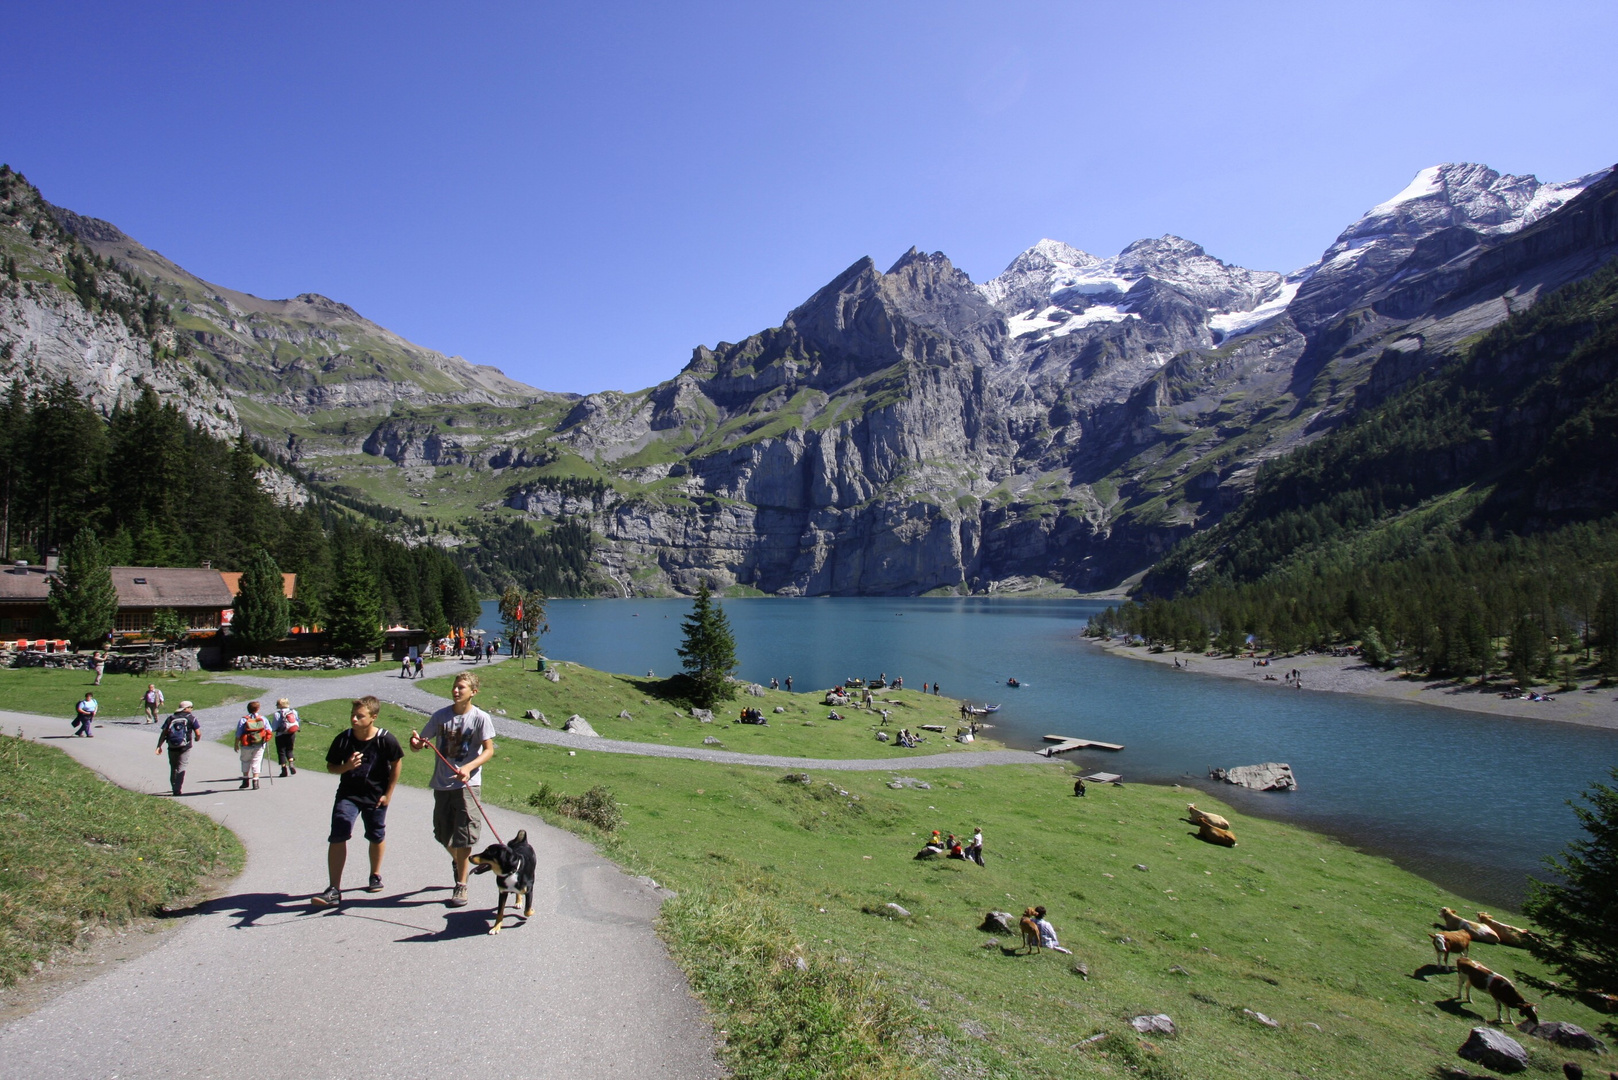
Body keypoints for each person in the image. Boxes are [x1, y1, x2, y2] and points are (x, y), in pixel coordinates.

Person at [410, 672, 496, 908]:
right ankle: (460, 863)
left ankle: (461, 885)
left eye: (461, 688)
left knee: (465, 834)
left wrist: (468, 767)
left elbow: (489, 751)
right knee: (442, 834)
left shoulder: (480, 718)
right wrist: (415, 743)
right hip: (442, 783)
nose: (456, 691)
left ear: (473, 692)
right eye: (455, 687)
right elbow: (420, 745)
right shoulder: (440, 717)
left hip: (467, 785)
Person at [311, 696, 403, 908]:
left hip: (375, 795)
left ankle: (375, 875)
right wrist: (347, 766)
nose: (353, 719)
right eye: (352, 715)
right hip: (348, 795)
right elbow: (331, 767)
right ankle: (334, 889)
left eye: (359, 716)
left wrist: (388, 793)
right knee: (338, 833)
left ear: (373, 717)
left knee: (376, 834)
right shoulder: (344, 739)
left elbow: (396, 763)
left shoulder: (385, 739)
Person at [154, 700, 201, 795]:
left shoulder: (171, 718)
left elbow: (164, 733)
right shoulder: (191, 718)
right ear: (186, 708)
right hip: (185, 746)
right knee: (181, 767)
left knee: (173, 767)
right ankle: (177, 789)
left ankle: (174, 786)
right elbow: (198, 733)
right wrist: (197, 738)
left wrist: (159, 746)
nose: (192, 709)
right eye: (191, 707)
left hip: (172, 746)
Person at [235, 701, 273, 790]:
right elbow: (269, 730)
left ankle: (245, 779)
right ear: (258, 709)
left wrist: (236, 744)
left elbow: (238, 733)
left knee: (245, 760)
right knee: (257, 761)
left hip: (246, 744)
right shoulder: (263, 719)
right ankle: (255, 781)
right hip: (259, 743)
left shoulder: (243, 720)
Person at [271, 697, 301, 777]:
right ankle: (291, 763)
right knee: (289, 749)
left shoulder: (277, 714)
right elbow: (297, 721)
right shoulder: (293, 711)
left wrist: (272, 729)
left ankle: (284, 770)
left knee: (281, 751)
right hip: (291, 734)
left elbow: (274, 726)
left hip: (280, 735)